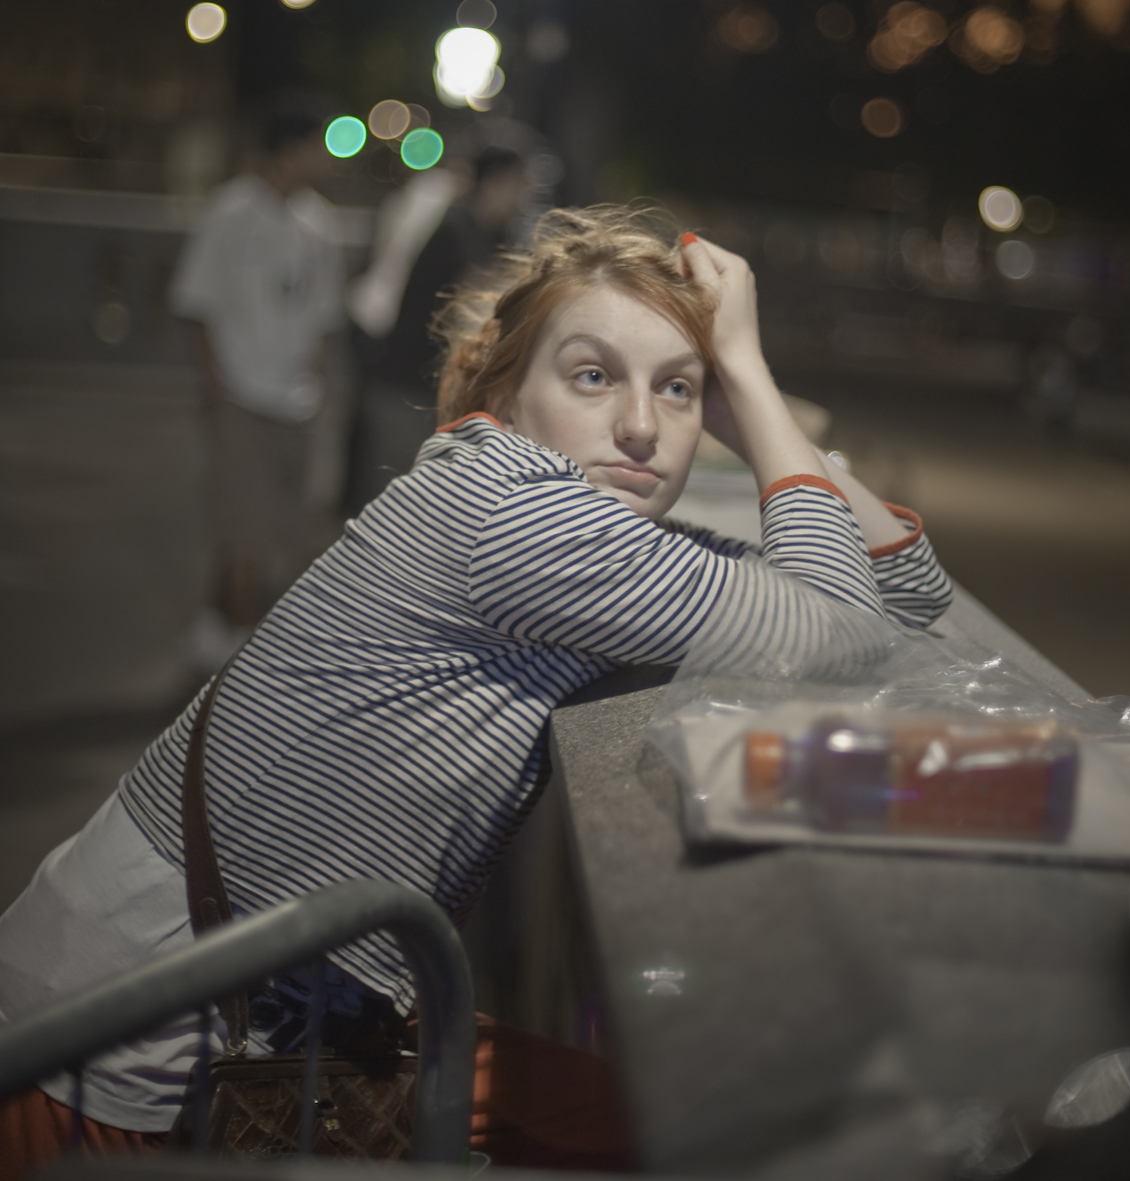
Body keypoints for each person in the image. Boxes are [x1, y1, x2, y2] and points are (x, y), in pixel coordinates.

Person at [0, 206, 952, 1176]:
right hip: (105, 1052)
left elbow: (908, 593)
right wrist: (741, 374)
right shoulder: (510, 513)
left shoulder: (574, 522)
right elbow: (844, 634)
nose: (638, 425)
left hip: (279, 1001)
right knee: (683, 1129)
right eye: (592, 375)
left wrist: (746, 402)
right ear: (502, 389)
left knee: (663, 1118)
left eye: (676, 389)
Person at [172, 95, 345, 657]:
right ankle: (238, 651)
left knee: (283, 526)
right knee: (243, 523)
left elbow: (324, 312)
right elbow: (197, 303)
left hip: (294, 397)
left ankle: (220, 624)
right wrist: (216, 382)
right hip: (242, 392)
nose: (328, 158)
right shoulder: (232, 212)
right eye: (319, 146)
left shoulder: (319, 221)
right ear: (290, 152)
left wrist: (313, 376)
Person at [344, 146, 528, 513]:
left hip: (420, 390)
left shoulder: (485, 230)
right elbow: (483, 288)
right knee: (388, 503)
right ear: (494, 183)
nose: (522, 197)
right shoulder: (458, 225)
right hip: (402, 388)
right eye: (518, 185)